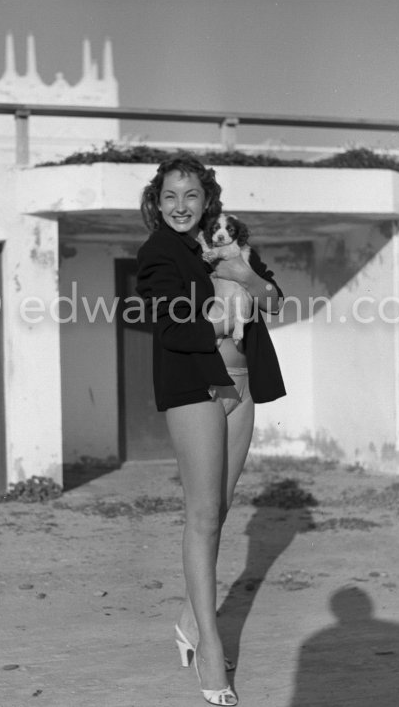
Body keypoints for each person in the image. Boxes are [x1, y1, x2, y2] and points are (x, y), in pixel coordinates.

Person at [136, 152, 285, 706]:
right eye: (170, 196)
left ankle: (187, 617)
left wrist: (244, 273)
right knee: (201, 518)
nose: (181, 206)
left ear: (207, 201)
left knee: (219, 509)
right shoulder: (159, 252)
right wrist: (216, 319)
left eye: (191, 196)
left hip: (242, 386)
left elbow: (275, 301)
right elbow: (160, 317)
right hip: (198, 385)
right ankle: (211, 650)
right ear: (158, 202)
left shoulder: (227, 247)